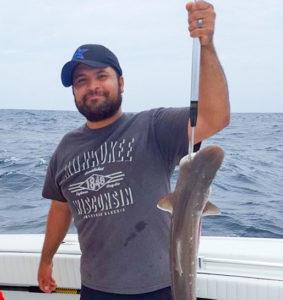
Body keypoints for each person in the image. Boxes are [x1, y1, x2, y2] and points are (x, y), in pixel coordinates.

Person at [37, 1, 230, 299]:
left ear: (121, 83)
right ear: (74, 91)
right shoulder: (65, 149)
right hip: (95, 288)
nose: (92, 86)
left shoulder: (152, 127)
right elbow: (61, 208)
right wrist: (46, 259)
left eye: (101, 76)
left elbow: (214, 117)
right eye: (81, 81)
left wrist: (206, 45)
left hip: (160, 287)